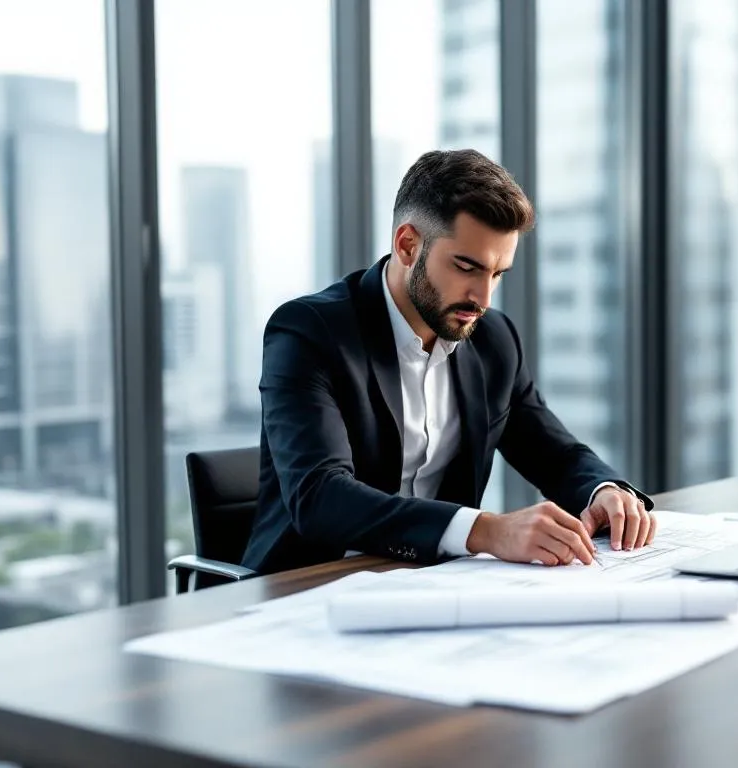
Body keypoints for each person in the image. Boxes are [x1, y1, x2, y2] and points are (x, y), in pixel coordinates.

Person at [244, 149, 655, 574]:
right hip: (309, 588)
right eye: (466, 267)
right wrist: (486, 531)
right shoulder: (309, 332)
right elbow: (320, 498)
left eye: (497, 274)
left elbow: (555, 453)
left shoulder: (494, 341)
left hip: (440, 587)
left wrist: (603, 491)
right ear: (407, 246)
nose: (483, 298)